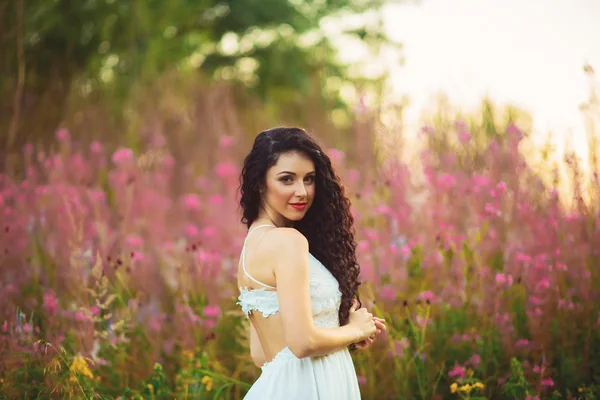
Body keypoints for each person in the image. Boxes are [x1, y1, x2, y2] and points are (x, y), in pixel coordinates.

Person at [236, 127, 387, 399]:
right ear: (260, 183)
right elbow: (303, 343)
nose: (302, 191)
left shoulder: (251, 246)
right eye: (287, 179)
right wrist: (354, 330)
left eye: (309, 179)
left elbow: (260, 354)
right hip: (309, 388)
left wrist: (340, 333)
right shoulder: (288, 242)